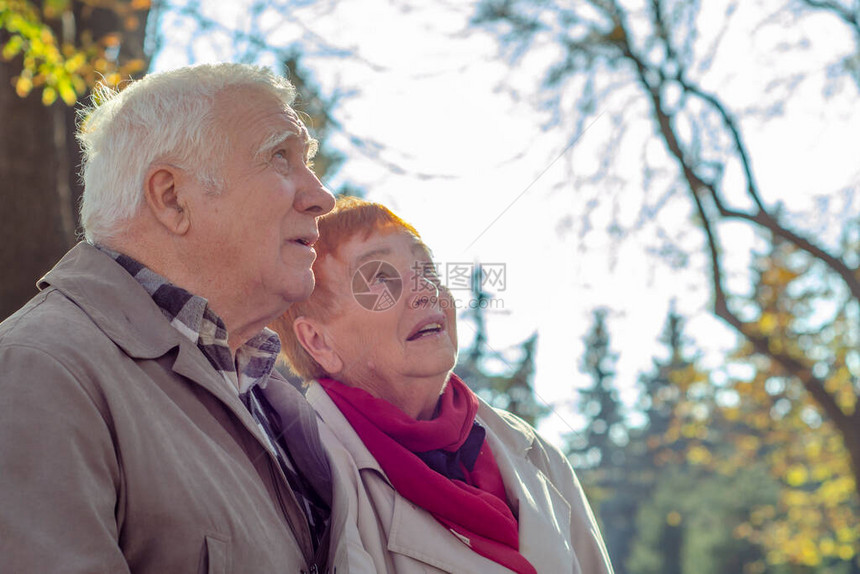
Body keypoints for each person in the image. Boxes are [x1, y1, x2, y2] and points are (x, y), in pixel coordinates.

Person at [0, 63, 345, 573]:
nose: (322, 196)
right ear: (172, 198)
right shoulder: (39, 370)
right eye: (279, 157)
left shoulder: (282, 406)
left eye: (307, 161)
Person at [270, 196, 615, 574]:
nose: (425, 290)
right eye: (381, 278)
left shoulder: (539, 456)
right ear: (318, 341)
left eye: (428, 269)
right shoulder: (303, 485)